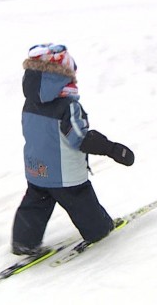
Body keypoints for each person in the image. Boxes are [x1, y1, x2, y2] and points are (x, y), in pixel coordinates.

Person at [11, 43, 135, 255]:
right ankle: (99, 230)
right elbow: (80, 138)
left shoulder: (29, 103)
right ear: (63, 76)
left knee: (35, 204)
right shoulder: (67, 106)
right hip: (65, 175)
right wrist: (111, 148)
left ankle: (24, 242)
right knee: (82, 203)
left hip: (37, 169)